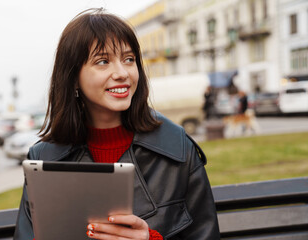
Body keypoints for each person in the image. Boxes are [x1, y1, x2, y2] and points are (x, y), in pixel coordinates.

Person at [14, 8, 220, 240]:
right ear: (73, 78)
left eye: (129, 59)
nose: (122, 73)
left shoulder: (178, 147)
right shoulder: (45, 159)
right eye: (103, 61)